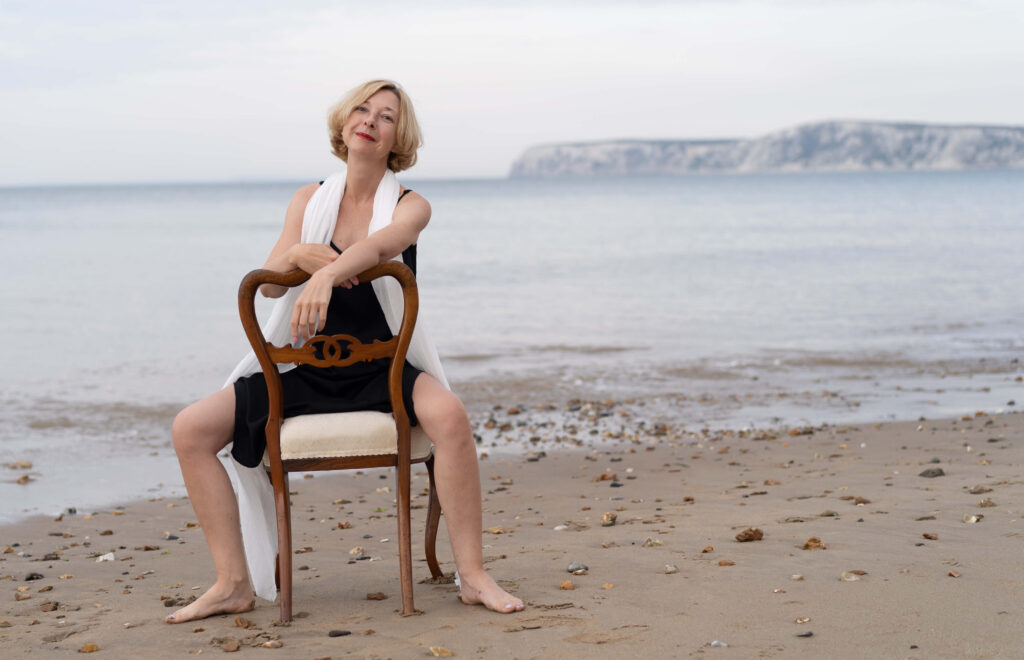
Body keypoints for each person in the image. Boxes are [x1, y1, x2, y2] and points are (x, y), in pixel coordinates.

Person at [167, 80, 524, 623]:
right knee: (190, 429)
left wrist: (327, 270)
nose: (371, 120)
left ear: (395, 140)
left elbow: (383, 247)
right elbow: (268, 286)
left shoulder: (411, 205)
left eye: (386, 117)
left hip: (383, 368)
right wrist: (301, 253)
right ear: (343, 123)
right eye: (362, 109)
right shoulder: (309, 201)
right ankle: (232, 583)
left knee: (450, 416)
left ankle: (472, 576)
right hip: (307, 371)